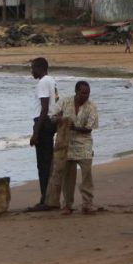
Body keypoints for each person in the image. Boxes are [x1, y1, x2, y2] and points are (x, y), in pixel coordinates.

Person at [53, 81, 99, 215]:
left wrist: (74, 127)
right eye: (83, 93)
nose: (86, 96)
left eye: (88, 93)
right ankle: (67, 204)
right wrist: (58, 119)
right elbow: (53, 116)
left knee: (86, 176)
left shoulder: (92, 107)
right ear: (76, 92)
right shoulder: (65, 102)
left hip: (84, 144)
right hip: (67, 143)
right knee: (68, 177)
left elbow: (89, 129)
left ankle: (87, 204)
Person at [28, 57, 58, 211]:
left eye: (33, 68)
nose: (31, 71)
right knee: (47, 162)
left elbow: (44, 108)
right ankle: (48, 197)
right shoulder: (51, 80)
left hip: (44, 123)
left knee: (43, 164)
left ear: (40, 68)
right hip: (50, 123)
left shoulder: (42, 83)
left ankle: (45, 199)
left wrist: (35, 132)